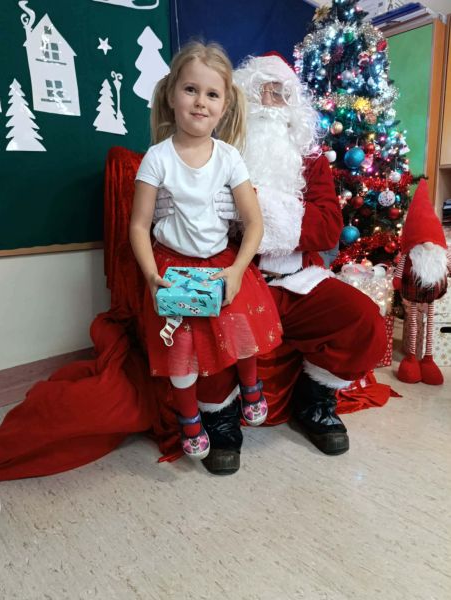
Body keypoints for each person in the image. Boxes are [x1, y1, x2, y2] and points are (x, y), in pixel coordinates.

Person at [180, 52, 387, 473]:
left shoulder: (311, 161)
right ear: (244, 97)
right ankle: (220, 417)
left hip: (298, 281)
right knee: (206, 321)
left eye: (282, 94)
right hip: (241, 281)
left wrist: (260, 207)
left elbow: (328, 227)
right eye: (264, 91)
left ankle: (314, 401)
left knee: (364, 319)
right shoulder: (217, 155)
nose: (272, 102)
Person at [129, 42, 283, 460]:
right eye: (191, 89)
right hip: (171, 266)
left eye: (212, 94)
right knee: (180, 348)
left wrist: (237, 270)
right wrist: (151, 276)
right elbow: (139, 225)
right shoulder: (156, 159)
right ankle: (189, 417)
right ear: (171, 95)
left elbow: (254, 224)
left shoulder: (229, 158)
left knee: (240, 326)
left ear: (224, 105)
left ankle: (250, 386)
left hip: (221, 263)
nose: (201, 102)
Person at [393, 179, 448, 385]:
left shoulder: (441, 255)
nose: (428, 244)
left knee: (430, 322)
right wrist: (398, 280)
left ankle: (428, 358)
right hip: (413, 290)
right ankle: (411, 357)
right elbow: (400, 269)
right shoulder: (409, 255)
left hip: (433, 292)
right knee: (413, 319)